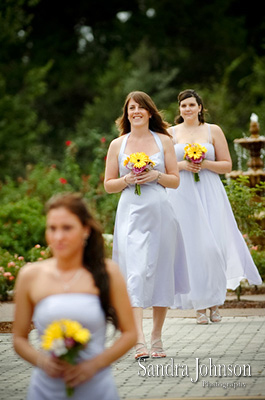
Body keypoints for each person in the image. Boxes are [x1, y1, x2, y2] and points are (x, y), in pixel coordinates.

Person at [13, 193, 137, 400]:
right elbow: (18, 338)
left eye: (67, 228)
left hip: (96, 387)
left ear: (85, 230)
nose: (58, 237)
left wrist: (94, 364)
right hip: (45, 389)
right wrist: (42, 361)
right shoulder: (30, 276)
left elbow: (130, 334)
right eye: (52, 228)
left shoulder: (108, 272)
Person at [104, 91, 189, 359]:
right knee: (136, 273)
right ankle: (138, 340)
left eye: (141, 107)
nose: (136, 111)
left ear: (150, 112)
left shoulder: (165, 140)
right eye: (131, 108)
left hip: (162, 214)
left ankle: (157, 337)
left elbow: (175, 180)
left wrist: (157, 175)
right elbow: (108, 185)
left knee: (161, 271)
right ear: (126, 114)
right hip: (131, 214)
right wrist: (127, 180)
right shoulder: (117, 145)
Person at [167, 89, 262, 324]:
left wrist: (205, 163)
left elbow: (227, 165)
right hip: (182, 194)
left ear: (200, 107)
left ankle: (215, 303)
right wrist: (184, 165)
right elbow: (166, 167)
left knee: (213, 247)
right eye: (183, 106)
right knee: (191, 249)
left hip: (209, 191)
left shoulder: (213, 130)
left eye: (191, 105)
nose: (187, 109)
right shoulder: (170, 133)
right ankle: (198, 306)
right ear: (179, 110)